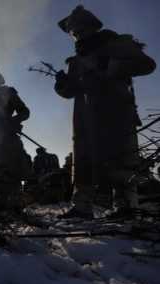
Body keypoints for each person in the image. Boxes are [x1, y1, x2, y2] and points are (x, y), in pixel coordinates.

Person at [54, 5, 156, 218]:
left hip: (115, 112)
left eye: (79, 28)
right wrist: (62, 85)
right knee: (83, 159)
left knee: (119, 156)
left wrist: (111, 65)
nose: (75, 33)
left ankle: (126, 206)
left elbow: (147, 65)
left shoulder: (115, 44)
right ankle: (82, 206)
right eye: (72, 31)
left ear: (91, 26)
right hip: (84, 118)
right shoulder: (76, 61)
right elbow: (70, 91)